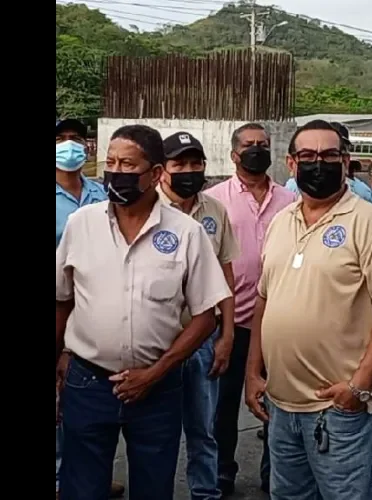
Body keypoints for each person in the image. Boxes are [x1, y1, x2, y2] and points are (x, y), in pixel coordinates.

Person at [56, 124, 233, 500]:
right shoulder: (81, 225)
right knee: (81, 488)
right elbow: (61, 299)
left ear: (154, 175)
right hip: (87, 383)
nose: (116, 171)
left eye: (128, 164)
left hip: (158, 389)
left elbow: (205, 315)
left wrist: (156, 372)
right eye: (111, 162)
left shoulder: (187, 233)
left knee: (153, 488)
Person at [243, 119, 372, 500]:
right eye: (307, 156)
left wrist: (358, 387)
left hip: (342, 410)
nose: (318, 163)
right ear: (291, 163)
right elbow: (264, 300)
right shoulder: (280, 222)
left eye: (329, 155)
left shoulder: (370, 223)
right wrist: (253, 373)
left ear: (346, 160)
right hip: (282, 407)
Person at [205, 123, 297, 496]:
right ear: (234, 154)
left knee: (277, 403)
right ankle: (221, 470)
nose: (256, 150)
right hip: (228, 322)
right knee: (222, 406)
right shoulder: (214, 201)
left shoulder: (290, 202)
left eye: (262, 144)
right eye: (249, 145)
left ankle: (274, 471)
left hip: (277, 321)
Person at [158, 132, 240, 500]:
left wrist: (227, 336)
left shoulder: (215, 211)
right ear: (162, 170)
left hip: (204, 339)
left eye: (196, 164)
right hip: (157, 342)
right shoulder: (147, 210)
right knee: (156, 431)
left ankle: (205, 493)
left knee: (203, 428)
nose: (188, 171)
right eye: (179, 164)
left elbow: (225, 275)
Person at [54, 118, 124, 499]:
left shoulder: (101, 193)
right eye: (61, 139)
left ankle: (87, 474)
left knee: (85, 400)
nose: (69, 146)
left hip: (91, 305)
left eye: (76, 139)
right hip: (59, 301)